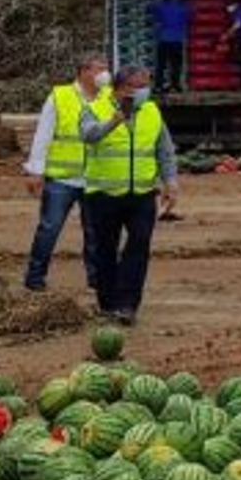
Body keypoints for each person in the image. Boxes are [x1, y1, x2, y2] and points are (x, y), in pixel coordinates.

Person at [79, 66, 179, 324]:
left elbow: (164, 150)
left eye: (145, 86)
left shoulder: (151, 111)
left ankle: (127, 305)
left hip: (143, 194)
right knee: (105, 250)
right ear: (119, 88)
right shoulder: (95, 107)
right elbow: (87, 135)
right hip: (104, 194)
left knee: (139, 246)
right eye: (136, 87)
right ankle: (108, 302)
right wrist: (114, 120)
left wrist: (170, 182)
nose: (142, 92)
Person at [19, 53, 111, 292]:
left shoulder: (109, 98)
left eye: (106, 69)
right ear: (83, 71)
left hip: (95, 178)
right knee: (49, 228)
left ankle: (98, 280)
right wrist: (35, 170)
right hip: (62, 178)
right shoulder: (60, 96)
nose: (104, 74)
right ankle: (35, 278)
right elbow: (44, 135)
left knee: (95, 233)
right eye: (98, 69)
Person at [148, 0, 190, 93]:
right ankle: (175, 86)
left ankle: (158, 86)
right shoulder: (184, 8)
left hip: (163, 39)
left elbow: (150, 8)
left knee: (161, 64)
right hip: (177, 40)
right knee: (176, 65)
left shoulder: (161, 6)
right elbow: (191, 16)